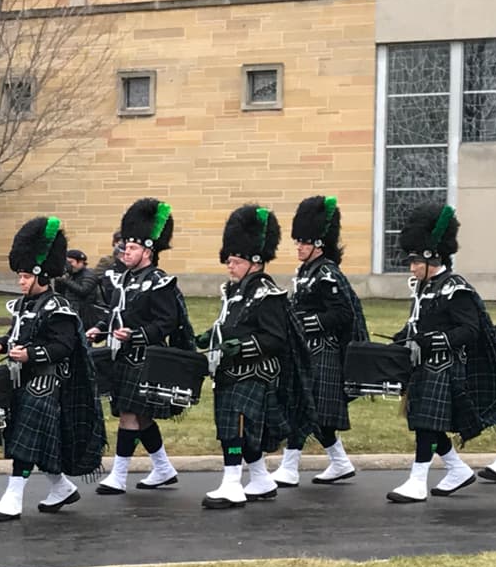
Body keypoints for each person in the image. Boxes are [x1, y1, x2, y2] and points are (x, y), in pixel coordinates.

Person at [385, 203, 496, 503]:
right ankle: (456, 470)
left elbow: (470, 330)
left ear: (431, 257)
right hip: (423, 367)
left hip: (446, 368)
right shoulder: (424, 288)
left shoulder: (455, 288)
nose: (411, 267)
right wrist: (401, 340)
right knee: (424, 420)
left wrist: (432, 341)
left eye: (414, 261)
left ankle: (417, 481)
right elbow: (416, 324)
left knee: (427, 422)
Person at [0, 216, 107, 521]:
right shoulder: (25, 305)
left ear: (41, 275)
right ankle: (62, 488)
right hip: (20, 380)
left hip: (47, 383)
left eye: (26, 276)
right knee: (29, 438)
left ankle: (13, 498)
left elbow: (62, 347)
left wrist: (31, 354)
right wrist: (2, 342)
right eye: (20, 276)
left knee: (24, 440)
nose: (21, 281)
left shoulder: (58, 308)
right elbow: (20, 333)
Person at [200, 205, 316, 509]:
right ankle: (261, 479)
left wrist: (241, 347)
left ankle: (232, 484)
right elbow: (229, 326)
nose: (229, 266)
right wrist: (211, 337)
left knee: (235, 428)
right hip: (230, 371)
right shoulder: (235, 291)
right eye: (229, 260)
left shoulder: (268, 294)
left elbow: (275, 339)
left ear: (254, 262)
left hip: (253, 372)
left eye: (235, 261)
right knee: (237, 428)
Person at [88, 198, 194, 495]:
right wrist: (100, 328)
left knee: (129, 415)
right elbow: (115, 312)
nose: (125, 252)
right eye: (124, 247)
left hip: (145, 356)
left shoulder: (159, 282)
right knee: (139, 416)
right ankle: (163, 468)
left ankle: (118, 476)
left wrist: (135, 335)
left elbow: (167, 322)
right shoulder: (122, 279)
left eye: (132, 248)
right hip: (122, 355)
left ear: (148, 251)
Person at [268, 197, 368, 487]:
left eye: (303, 242)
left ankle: (289, 467)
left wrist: (304, 325)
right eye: (297, 241)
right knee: (312, 409)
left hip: (323, 349)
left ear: (319, 245)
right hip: (308, 350)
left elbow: (342, 313)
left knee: (304, 406)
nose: (298, 246)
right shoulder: (306, 271)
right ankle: (340, 462)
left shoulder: (327, 273)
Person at [56, 248, 101, 318]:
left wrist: (65, 281)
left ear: (80, 262)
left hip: (86, 314)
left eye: (71, 262)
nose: (69, 266)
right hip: (71, 310)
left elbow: (83, 290)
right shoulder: (71, 275)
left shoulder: (90, 274)